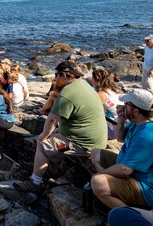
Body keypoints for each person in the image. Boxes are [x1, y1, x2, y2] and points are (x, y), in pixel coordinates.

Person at [16, 61, 106, 191]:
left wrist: (42, 136)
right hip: (93, 138)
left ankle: (35, 183)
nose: (55, 78)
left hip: (80, 145)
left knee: (42, 145)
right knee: (53, 135)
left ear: (64, 75)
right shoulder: (83, 85)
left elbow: (52, 120)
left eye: (56, 75)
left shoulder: (67, 93)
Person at [89, 89, 153, 210]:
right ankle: (115, 191)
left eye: (127, 105)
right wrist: (121, 120)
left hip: (149, 188)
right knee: (96, 153)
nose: (123, 107)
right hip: (133, 172)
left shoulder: (147, 135)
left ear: (136, 111)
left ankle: (128, 214)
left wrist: (99, 175)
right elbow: (120, 138)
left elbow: (125, 170)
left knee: (98, 183)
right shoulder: (139, 121)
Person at [91, 67, 123, 139]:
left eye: (92, 78)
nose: (91, 80)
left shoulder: (101, 94)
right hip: (121, 124)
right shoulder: (114, 89)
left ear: (96, 80)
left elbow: (90, 111)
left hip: (113, 130)